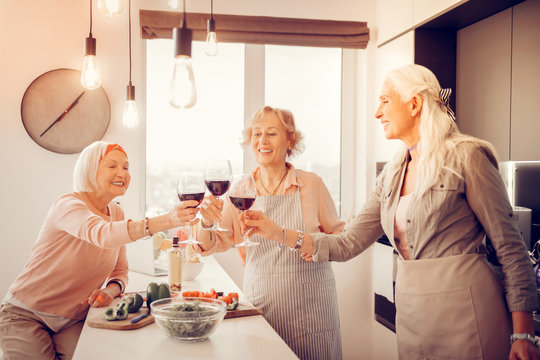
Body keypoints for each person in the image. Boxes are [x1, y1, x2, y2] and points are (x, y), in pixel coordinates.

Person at [242, 65, 539, 359]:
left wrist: (523, 333)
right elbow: (348, 242)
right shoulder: (391, 174)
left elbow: (510, 248)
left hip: (467, 312)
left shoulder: (467, 156)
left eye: (385, 100)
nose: (377, 113)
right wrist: (277, 233)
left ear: (414, 104)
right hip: (411, 315)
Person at [0, 141, 199, 360]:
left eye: (126, 167)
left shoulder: (117, 213)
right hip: (26, 314)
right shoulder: (68, 205)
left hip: (73, 319)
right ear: (90, 169)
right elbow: (102, 235)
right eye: (112, 166)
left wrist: (110, 291)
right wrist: (167, 220)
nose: (122, 173)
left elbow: (120, 271)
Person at [196, 106, 345, 360]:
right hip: (262, 308)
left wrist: (310, 244)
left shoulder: (311, 184)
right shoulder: (241, 189)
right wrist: (206, 222)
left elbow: (341, 242)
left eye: (271, 134)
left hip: (313, 312)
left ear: (290, 140)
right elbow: (212, 244)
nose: (262, 141)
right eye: (256, 134)